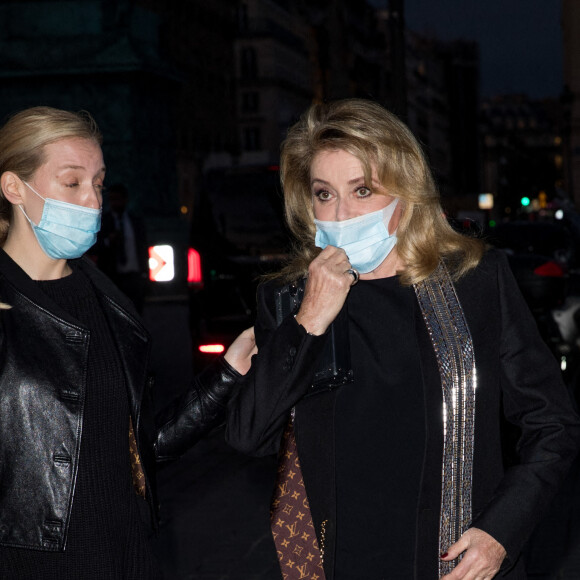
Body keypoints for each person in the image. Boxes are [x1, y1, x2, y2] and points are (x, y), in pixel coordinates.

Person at [226, 99, 580, 580]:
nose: (342, 212)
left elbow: (552, 422)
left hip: (456, 563)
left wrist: (501, 532)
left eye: (363, 190)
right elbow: (249, 436)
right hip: (342, 564)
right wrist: (310, 319)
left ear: (406, 195)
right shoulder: (290, 301)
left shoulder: (475, 282)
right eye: (324, 194)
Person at [0, 106, 256, 579]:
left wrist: (227, 374)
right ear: (14, 187)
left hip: (127, 557)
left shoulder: (107, 298)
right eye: (71, 183)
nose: (93, 201)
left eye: (97, 183)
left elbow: (138, 449)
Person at [96, 182, 149, 313]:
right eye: (112, 200)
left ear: (125, 200)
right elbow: (95, 247)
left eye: (118, 199)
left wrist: (144, 273)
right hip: (113, 277)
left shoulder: (135, 222)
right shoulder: (102, 222)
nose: (115, 203)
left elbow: (142, 247)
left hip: (134, 276)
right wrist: (109, 241)